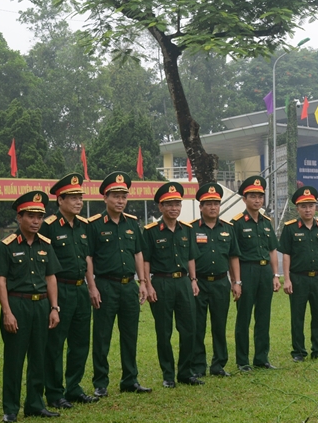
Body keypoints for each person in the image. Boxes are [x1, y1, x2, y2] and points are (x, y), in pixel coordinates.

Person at [0, 191, 61, 423]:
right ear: (19, 217)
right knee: (14, 358)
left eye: (39, 217)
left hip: (41, 306)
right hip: (17, 305)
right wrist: (7, 312)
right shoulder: (6, 246)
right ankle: (10, 408)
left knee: (39, 357)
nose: (36, 221)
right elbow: (0, 280)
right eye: (31, 216)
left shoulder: (46, 245)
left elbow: (51, 277)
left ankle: (35, 404)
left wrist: (54, 307)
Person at [86, 172, 151, 396]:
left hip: (128, 286)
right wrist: (92, 287)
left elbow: (139, 254)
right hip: (105, 285)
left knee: (130, 334)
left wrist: (142, 282)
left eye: (124, 196)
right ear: (105, 198)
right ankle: (100, 383)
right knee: (102, 335)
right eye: (115, 196)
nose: (120, 200)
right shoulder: (94, 225)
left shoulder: (132, 224)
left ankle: (130, 379)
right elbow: (89, 258)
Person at [41, 173, 97, 409]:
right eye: (72, 197)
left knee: (80, 341)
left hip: (81, 290)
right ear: (60, 200)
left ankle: (74, 387)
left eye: (80, 197)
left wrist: (92, 286)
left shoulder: (84, 226)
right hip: (60, 290)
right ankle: (54, 392)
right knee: (55, 343)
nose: (78, 202)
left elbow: (87, 257)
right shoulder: (49, 226)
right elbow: (43, 262)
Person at [142, 182, 202, 388]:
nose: (174, 208)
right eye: (169, 204)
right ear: (160, 207)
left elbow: (191, 257)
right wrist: (148, 285)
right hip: (161, 282)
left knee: (189, 329)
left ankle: (186, 372)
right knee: (164, 331)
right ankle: (168, 375)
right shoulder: (151, 231)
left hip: (184, 282)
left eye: (177, 203)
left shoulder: (187, 229)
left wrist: (193, 280)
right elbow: (146, 261)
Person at [279, 186, 318, 362]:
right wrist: (287, 279)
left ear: (315, 207)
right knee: (298, 316)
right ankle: (298, 352)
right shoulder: (290, 229)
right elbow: (286, 255)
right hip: (298, 278)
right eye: (303, 206)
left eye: (311, 205)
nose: (308, 209)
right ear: (297, 208)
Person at [230, 176, 280, 371]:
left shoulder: (267, 222)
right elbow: (232, 254)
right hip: (246, 270)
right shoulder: (237, 223)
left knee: (263, 316)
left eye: (260, 196)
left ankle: (262, 358)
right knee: (244, 317)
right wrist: (236, 281)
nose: (257, 200)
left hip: (265, 271)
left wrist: (275, 275)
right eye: (253, 196)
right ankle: (242, 361)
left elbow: (272, 251)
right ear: (244, 198)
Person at [191, 182, 240, 378]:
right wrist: (192, 279)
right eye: (208, 203)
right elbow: (190, 258)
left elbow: (233, 257)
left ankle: (219, 364)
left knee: (219, 325)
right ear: (201, 206)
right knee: (198, 326)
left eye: (216, 203)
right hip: (199, 283)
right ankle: (198, 365)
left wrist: (237, 282)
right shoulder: (192, 229)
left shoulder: (228, 229)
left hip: (221, 282)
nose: (213, 207)